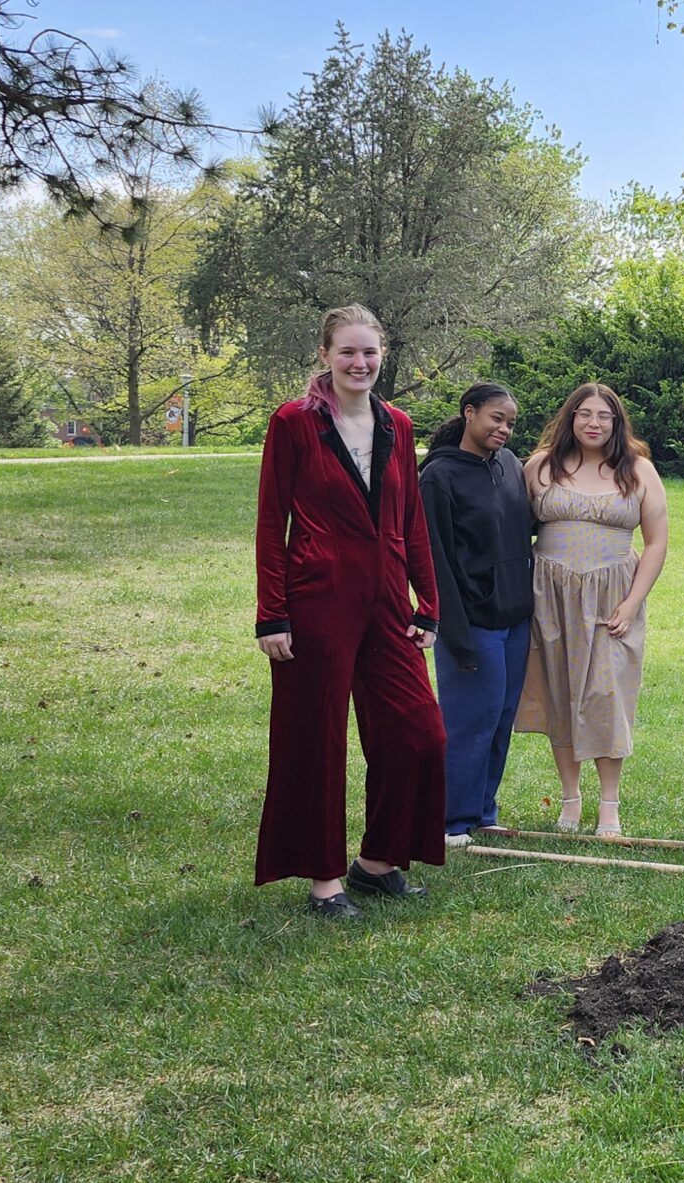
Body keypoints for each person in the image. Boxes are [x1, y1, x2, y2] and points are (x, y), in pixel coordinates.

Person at [252, 304, 448, 919]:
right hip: (317, 599)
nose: (359, 363)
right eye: (347, 352)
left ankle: (378, 862)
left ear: (382, 356)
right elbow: (270, 520)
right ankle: (323, 881)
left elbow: (411, 516)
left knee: (419, 733)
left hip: (389, 600)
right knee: (316, 738)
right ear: (325, 356)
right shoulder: (294, 423)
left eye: (369, 353)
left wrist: (428, 600)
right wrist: (272, 613)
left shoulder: (400, 425)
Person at [515, 383, 669, 836]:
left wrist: (632, 601)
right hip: (550, 597)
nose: (594, 423)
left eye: (604, 416)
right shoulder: (539, 467)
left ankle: (609, 806)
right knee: (559, 693)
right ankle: (569, 800)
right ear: (570, 418)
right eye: (585, 414)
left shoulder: (638, 471)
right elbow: (510, 530)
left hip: (611, 599)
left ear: (617, 423)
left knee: (607, 695)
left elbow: (657, 542)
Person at [419, 382, 535, 846]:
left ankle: (483, 811)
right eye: (495, 419)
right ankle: (450, 821)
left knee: (500, 717)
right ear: (469, 414)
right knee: (470, 720)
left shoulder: (510, 466)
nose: (504, 429)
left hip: (515, 619)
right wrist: (454, 629)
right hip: (470, 622)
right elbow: (434, 560)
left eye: (509, 422)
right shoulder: (438, 477)